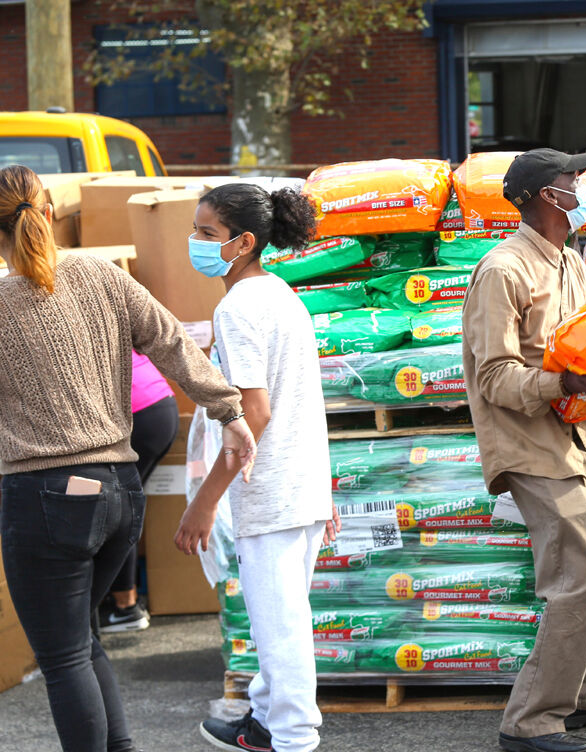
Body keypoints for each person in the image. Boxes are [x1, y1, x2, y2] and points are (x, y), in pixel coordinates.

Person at [0, 165, 256, 752]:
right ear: (44, 212)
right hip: (118, 489)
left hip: (45, 499)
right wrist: (230, 413)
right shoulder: (99, 275)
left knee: (63, 657)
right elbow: (171, 340)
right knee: (82, 643)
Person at [462, 148, 586, 752]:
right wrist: (565, 384)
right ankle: (530, 722)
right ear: (548, 196)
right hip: (531, 446)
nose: (585, 187)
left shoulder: (572, 262)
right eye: (574, 181)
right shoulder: (503, 271)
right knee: (583, 576)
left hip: (580, 437)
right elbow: (493, 376)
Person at [179, 183, 338, 752]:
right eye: (195, 229)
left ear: (243, 242)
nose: (193, 242)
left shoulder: (238, 307)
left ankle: (293, 737)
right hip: (299, 486)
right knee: (285, 618)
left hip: (269, 491)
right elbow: (304, 400)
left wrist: (205, 500)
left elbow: (255, 413)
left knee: (279, 632)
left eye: (206, 233)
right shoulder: (280, 294)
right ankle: (266, 721)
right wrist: (323, 490)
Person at [100, 352, 180, 633]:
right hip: (157, 405)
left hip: (140, 412)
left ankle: (125, 606)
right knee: (124, 505)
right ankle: (124, 600)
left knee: (121, 509)